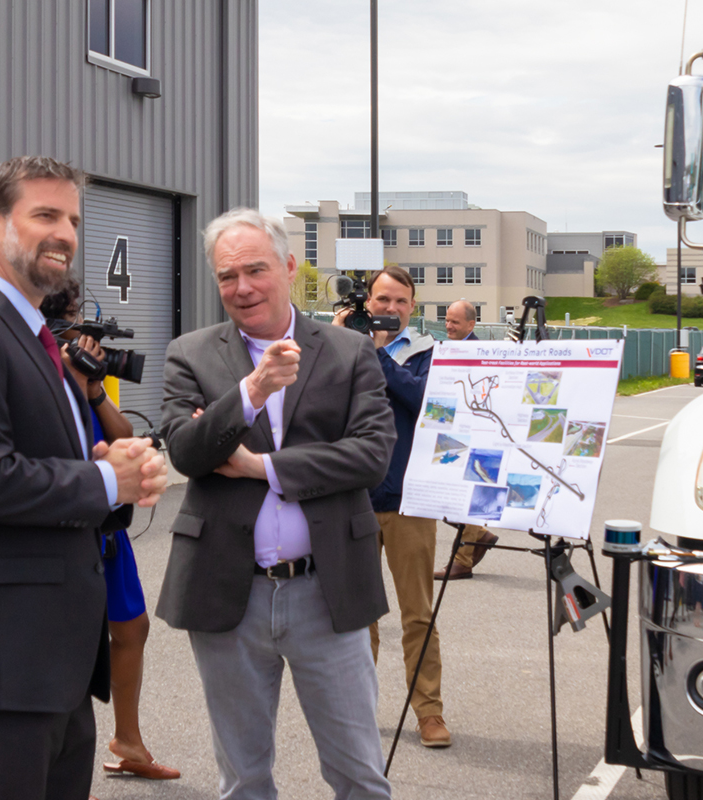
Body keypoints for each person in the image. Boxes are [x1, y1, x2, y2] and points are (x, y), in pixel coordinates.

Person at [0, 156, 168, 800]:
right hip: (2, 662)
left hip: (56, 664)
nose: (66, 234)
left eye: (73, 219)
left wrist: (111, 470)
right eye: (45, 215)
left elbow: (47, 463)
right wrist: (107, 485)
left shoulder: (38, 337)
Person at [158, 208, 396, 799]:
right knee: (242, 778)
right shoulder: (191, 353)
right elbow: (186, 452)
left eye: (256, 270)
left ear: (288, 267)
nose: (242, 288)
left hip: (327, 590)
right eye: (227, 276)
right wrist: (252, 391)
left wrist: (258, 466)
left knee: (359, 774)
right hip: (226, 592)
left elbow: (371, 456)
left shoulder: (348, 351)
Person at [40, 281, 180, 783]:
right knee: (70, 646)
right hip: (67, 528)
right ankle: (60, 771)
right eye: (75, 318)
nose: (85, 332)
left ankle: (128, 741)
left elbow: (121, 435)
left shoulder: (85, 375)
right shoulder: (39, 371)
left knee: (132, 628)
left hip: (107, 529)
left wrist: (95, 386)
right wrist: (74, 378)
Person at [334, 265, 451, 748]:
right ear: (368, 303)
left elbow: (426, 401)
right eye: (382, 300)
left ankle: (428, 712)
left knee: (417, 614)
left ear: (413, 308)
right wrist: (339, 343)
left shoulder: (428, 354)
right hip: (354, 499)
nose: (390, 309)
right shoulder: (340, 347)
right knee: (360, 614)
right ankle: (358, 712)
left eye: (401, 301)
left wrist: (377, 355)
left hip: (410, 500)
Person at [434, 299, 500, 581]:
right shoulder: (446, 348)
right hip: (449, 430)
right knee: (435, 492)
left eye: (455, 322)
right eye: (447, 320)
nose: (448, 326)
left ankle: (462, 561)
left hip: (475, 432)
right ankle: (479, 534)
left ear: (471, 325)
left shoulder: (480, 353)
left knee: (468, 494)